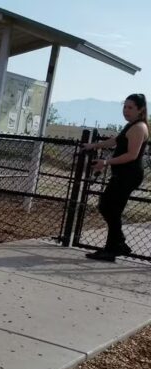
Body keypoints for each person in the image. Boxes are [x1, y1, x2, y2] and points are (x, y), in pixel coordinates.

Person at [81, 93, 148, 262]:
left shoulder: (139, 127)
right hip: (122, 174)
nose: (126, 110)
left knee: (110, 208)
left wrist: (106, 162)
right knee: (108, 207)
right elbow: (114, 141)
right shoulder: (131, 125)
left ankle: (115, 246)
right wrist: (94, 145)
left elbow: (132, 155)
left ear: (140, 110)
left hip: (129, 175)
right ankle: (115, 246)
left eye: (130, 107)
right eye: (124, 107)